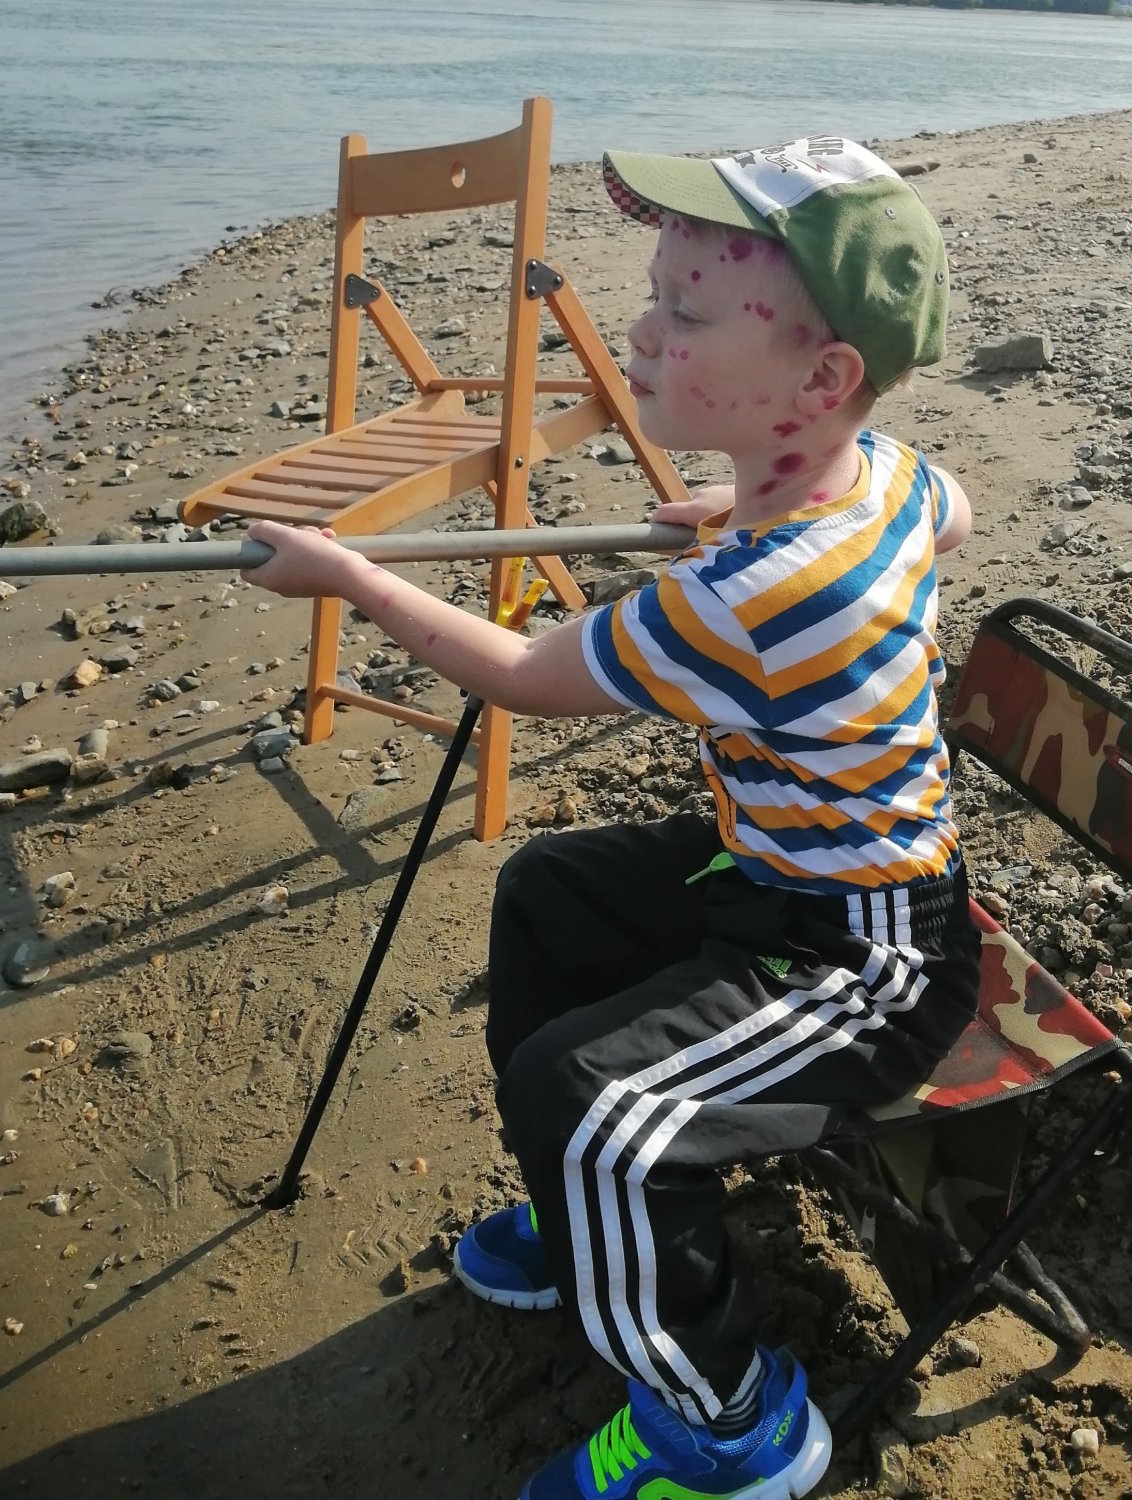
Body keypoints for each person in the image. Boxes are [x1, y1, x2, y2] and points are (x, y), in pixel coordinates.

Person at [242, 134, 981, 1500]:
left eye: (686, 313)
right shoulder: (878, 470)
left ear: (819, 382)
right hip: (782, 873)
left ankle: (732, 1424)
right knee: (553, 892)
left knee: (584, 1100)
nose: (640, 330)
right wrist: (741, 505)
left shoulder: (760, 596)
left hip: (869, 959)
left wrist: (349, 576)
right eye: (652, 294)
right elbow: (950, 513)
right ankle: (593, 1223)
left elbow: (526, 676)